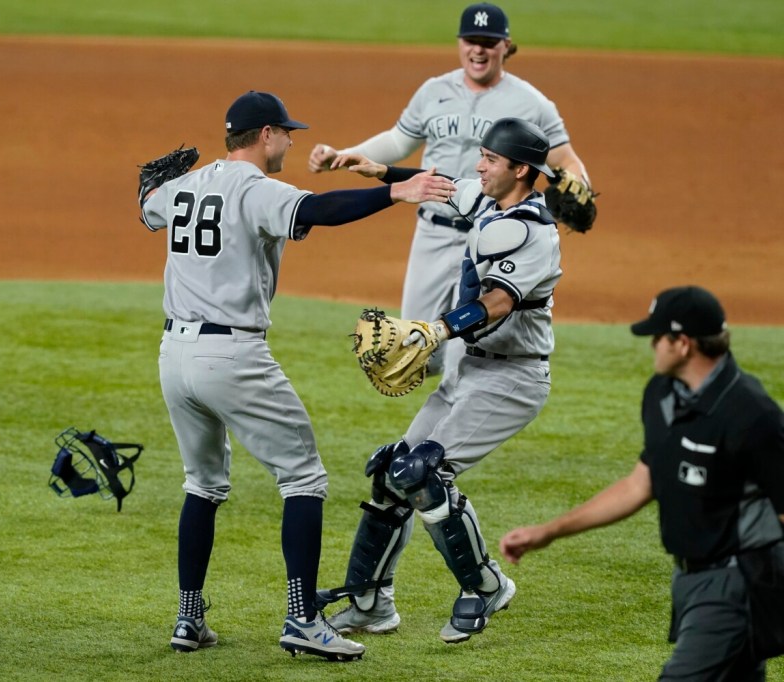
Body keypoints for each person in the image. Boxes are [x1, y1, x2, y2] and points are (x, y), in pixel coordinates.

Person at [139, 90, 454, 660]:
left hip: (173, 357)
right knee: (304, 478)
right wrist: (396, 191)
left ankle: (188, 619)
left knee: (202, 484)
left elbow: (147, 205)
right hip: (231, 356)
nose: (290, 140)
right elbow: (317, 211)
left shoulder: (183, 186)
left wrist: (146, 190)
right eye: (286, 133)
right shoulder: (256, 189)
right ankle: (303, 619)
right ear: (264, 136)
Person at [318, 117, 561, 644]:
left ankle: (486, 586)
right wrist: (380, 170)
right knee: (391, 473)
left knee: (424, 473)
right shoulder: (490, 201)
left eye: (491, 160)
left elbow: (498, 301)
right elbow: (445, 186)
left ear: (520, 169)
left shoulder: (531, 231)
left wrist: (436, 329)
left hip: (511, 380)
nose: (479, 165)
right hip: (466, 370)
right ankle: (369, 603)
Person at [308, 2, 590, 404]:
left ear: (505, 46)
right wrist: (350, 154)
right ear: (459, 43)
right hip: (432, 229)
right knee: (418, 347)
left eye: (488, 43)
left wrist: (581, 182)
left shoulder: (532, 103)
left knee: (465, 348)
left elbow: (565, 158)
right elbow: (400, 141)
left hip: (492, 237)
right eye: (471, 41)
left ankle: (444, 442)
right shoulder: (434, 90)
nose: (478, 50)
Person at [499, 285, 784, 680]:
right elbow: (640, 484)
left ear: (683, 344)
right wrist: (548, 532)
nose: (652, 346)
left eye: (657, 337)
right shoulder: (663, 395)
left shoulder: (750, 413)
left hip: (739, 583)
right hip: (691, 579)